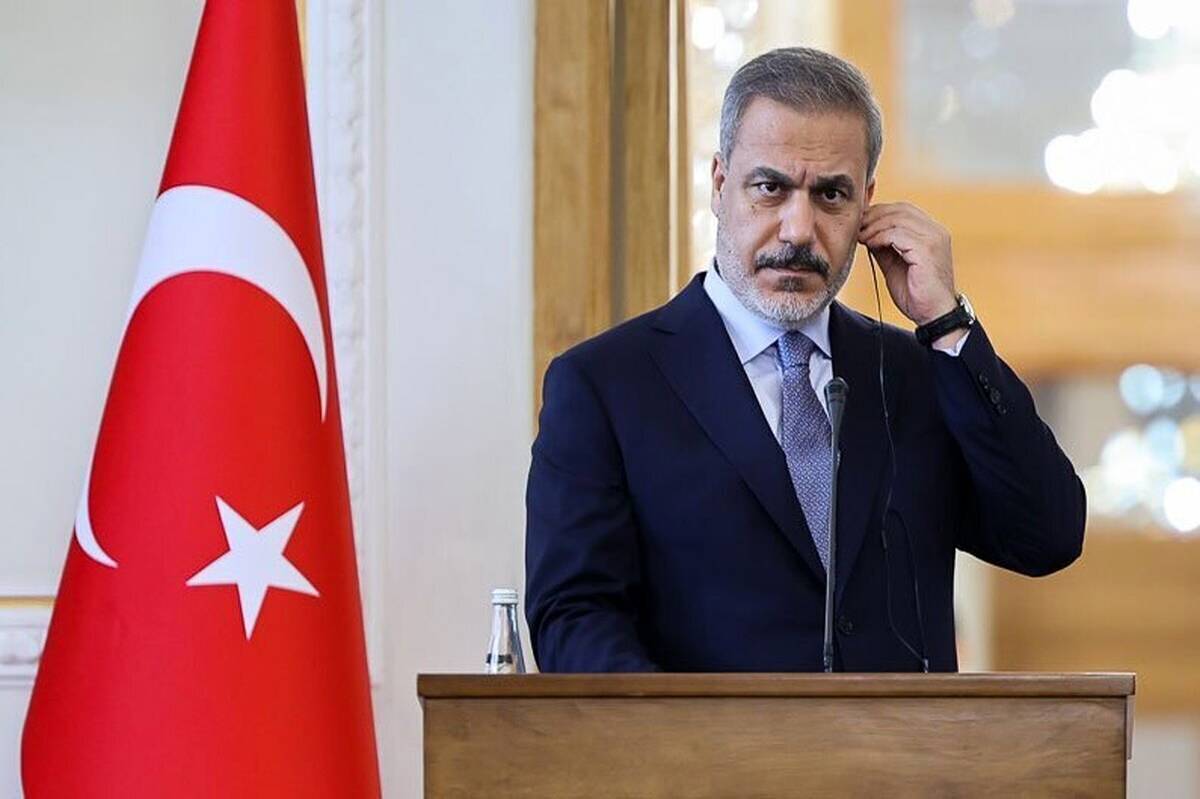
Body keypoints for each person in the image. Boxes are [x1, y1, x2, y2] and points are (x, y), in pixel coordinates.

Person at [524, 47, 1085, 673]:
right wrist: (686, 728)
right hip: (702, 739)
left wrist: (948, 324)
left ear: (867, 204)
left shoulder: (920, 372)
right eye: (771, 188)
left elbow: (1047, 535)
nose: (798, 229)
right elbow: (573, 619)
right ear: (719, 184)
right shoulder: (605, 385)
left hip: (902, 740)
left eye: (830, 195)